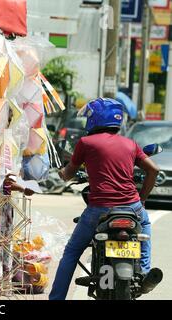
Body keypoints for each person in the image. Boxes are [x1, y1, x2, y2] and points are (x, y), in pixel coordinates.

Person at [49, 98, 159, 300]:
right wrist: (141, 200)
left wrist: (62, 174)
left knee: (72, 253)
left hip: (100, 209)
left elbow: (70, 173)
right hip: (132, 207)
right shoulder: (130, 143)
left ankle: (56, 299)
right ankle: (143, 272)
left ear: (94, 118)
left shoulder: (86, 143)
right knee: (146, 225)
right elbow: (154, 170)